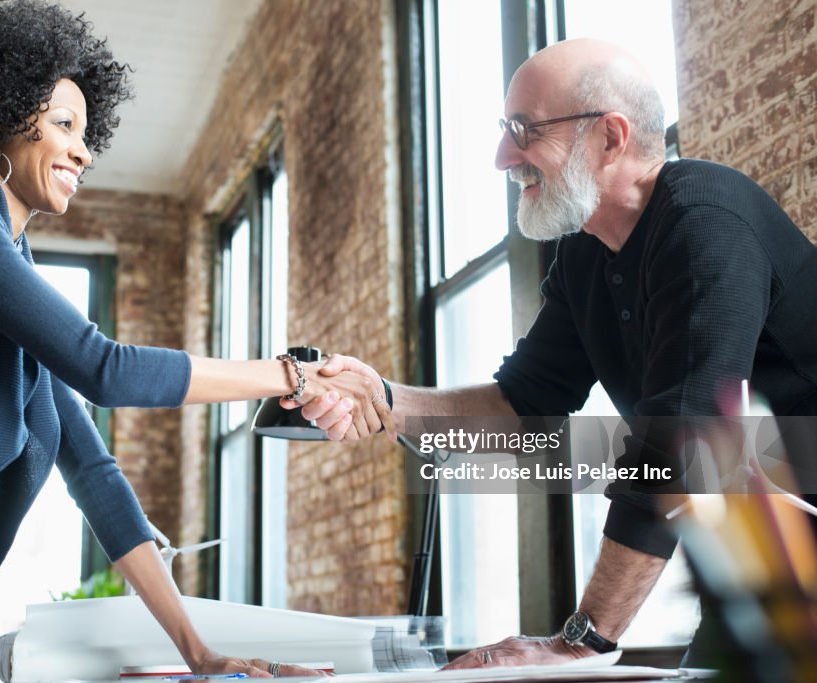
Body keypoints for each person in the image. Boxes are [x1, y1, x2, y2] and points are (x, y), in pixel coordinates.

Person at [0, 2, 390, 680]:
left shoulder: (3, 287)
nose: (85, 148)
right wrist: (293, 375)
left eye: (87, 129)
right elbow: (104, 368)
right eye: (64, 124)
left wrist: (200, 654)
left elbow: (95, 475)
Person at [297, 37, 817, 669]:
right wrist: (384, 397)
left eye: (523, 129)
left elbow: (679, 439)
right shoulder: (583, 257)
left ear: (609, 138)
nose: (501, 158)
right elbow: (524, 403)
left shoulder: (705, 220)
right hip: (762, 558)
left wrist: (580, 643)